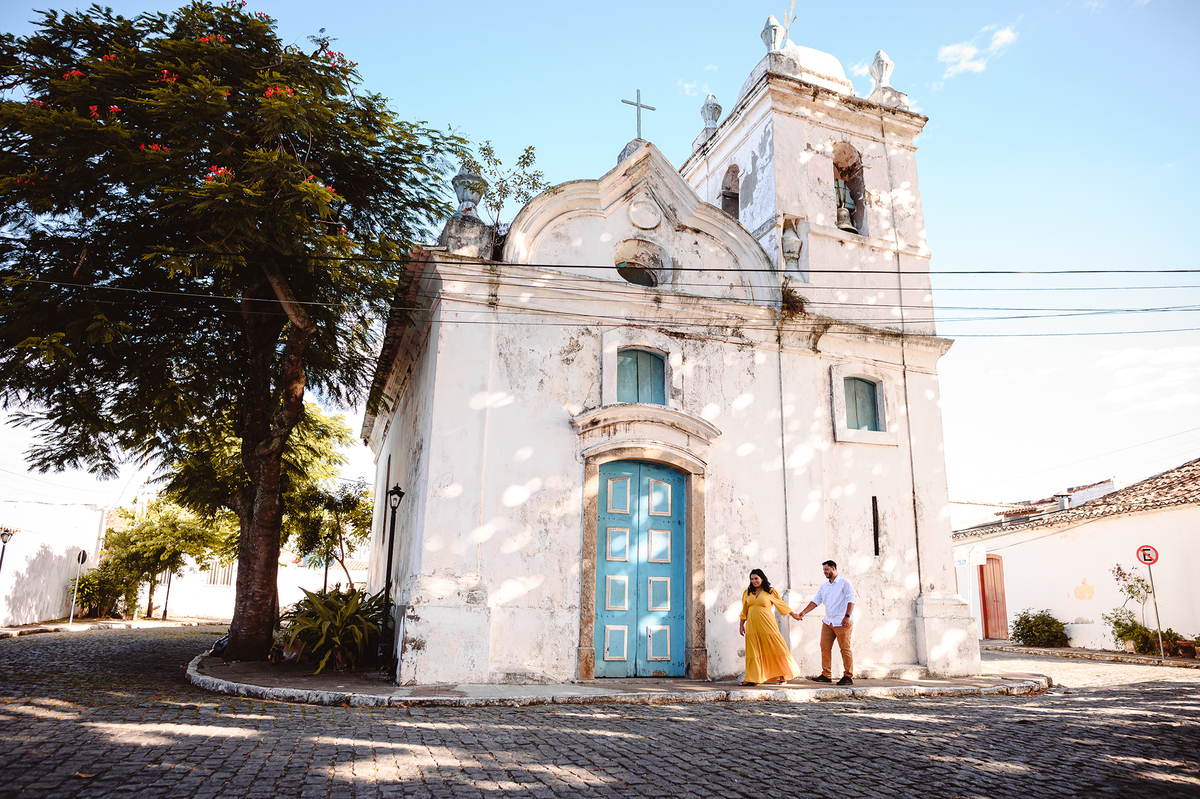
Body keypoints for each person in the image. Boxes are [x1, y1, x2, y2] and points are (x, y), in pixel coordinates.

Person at [791, 560, 856, 686]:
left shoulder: (844, 583)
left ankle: (848, 676)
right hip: (828, 622)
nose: (825, 572)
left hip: (842, 622)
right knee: (824, 647)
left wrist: (847, 617)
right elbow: (816, 601)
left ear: (833, 568)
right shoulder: (824, 587)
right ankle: (826, 674)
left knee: (845, 649)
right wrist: (803, 612)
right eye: (823, 570)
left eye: (826, 569)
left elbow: (851, 600)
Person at [738, 568, 800, 686]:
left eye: (756, 578)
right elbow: (744, 610)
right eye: (752, 579)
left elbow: (781, 604)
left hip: (767, 624)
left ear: (762, 578)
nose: (754, 581)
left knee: (776, 647)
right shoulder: (747, 592)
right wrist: (741, 624)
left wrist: (794, 615)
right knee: (753, 651)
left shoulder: (770, 591)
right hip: (752, 625)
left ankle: (783, 675)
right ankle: (751, 678)